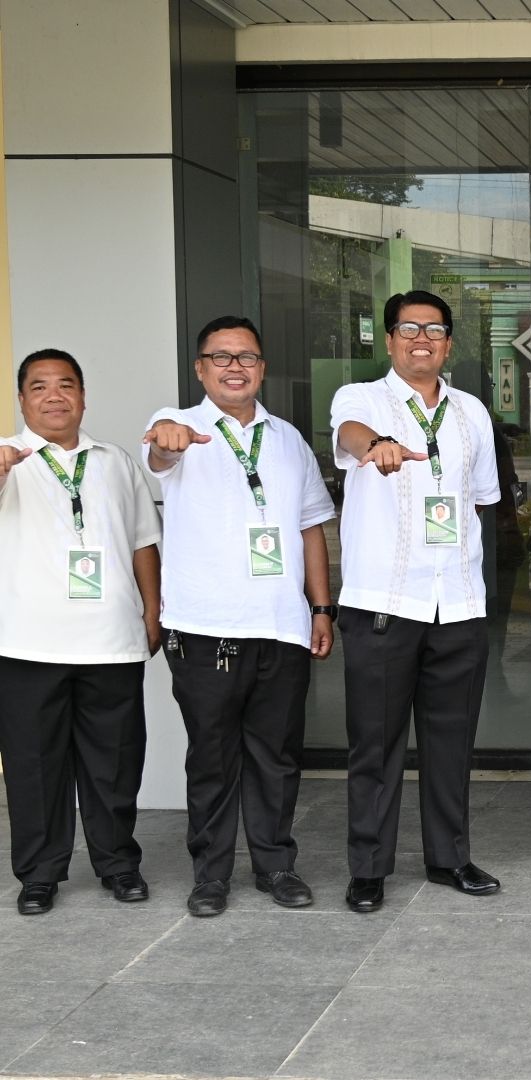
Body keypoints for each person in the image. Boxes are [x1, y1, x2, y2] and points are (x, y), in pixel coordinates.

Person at [141, 316, 337, 917]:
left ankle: (276, 865)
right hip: (204, 628)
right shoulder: (178, 426)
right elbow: (158, 451)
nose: (234, 366)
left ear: (262, 367)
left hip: (279, 624)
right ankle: (211, 874)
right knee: (212, 755)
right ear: (200, 368)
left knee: (277, 756)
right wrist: (165, 437)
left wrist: (321, 608)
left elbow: (310, 528)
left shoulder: (287, 439)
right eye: (220, 357)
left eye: (246, 357)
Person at [329, 290, 502, 913]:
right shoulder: (361, 400)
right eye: (408, 328)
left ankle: (449, 856)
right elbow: (348, 436)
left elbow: (482, 498)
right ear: (389, 338)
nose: (421, 338)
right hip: (384, 602)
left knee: (451, 742)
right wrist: (373, 444)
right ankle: (369, 867)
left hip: (456, 602)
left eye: (434, 329)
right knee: (374, 744)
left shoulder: (472, 412)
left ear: (449, 343)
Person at [0, 349, 162, 915]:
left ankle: (119, 864)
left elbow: (144, 541)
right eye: (39, 386)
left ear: (83, 396)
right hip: (26, 642)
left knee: (114, 763)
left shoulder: (116, 461)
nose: (54, 396)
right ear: (22, 399)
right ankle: (40, 874)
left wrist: (152, 610)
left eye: (66, 385)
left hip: (111, 640)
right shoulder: (8, 460)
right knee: (33, 765)